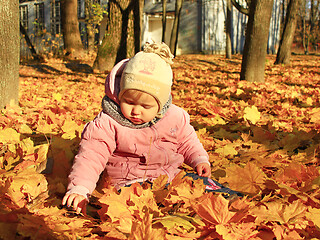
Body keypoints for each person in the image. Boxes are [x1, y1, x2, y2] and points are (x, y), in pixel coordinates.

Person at [62, 43, 237, 214]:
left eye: (145, 107)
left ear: (160, 105)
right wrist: (80, 188)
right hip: (128, 183)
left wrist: (199, 159)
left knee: (198, 184)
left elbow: (187, 141)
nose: (136, 111)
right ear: (119, 94)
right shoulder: (108, 122)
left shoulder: (174, 117)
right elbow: (91, 156)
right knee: (139, 207)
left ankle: (229, 201)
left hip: (169, 177)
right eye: (129, 102)